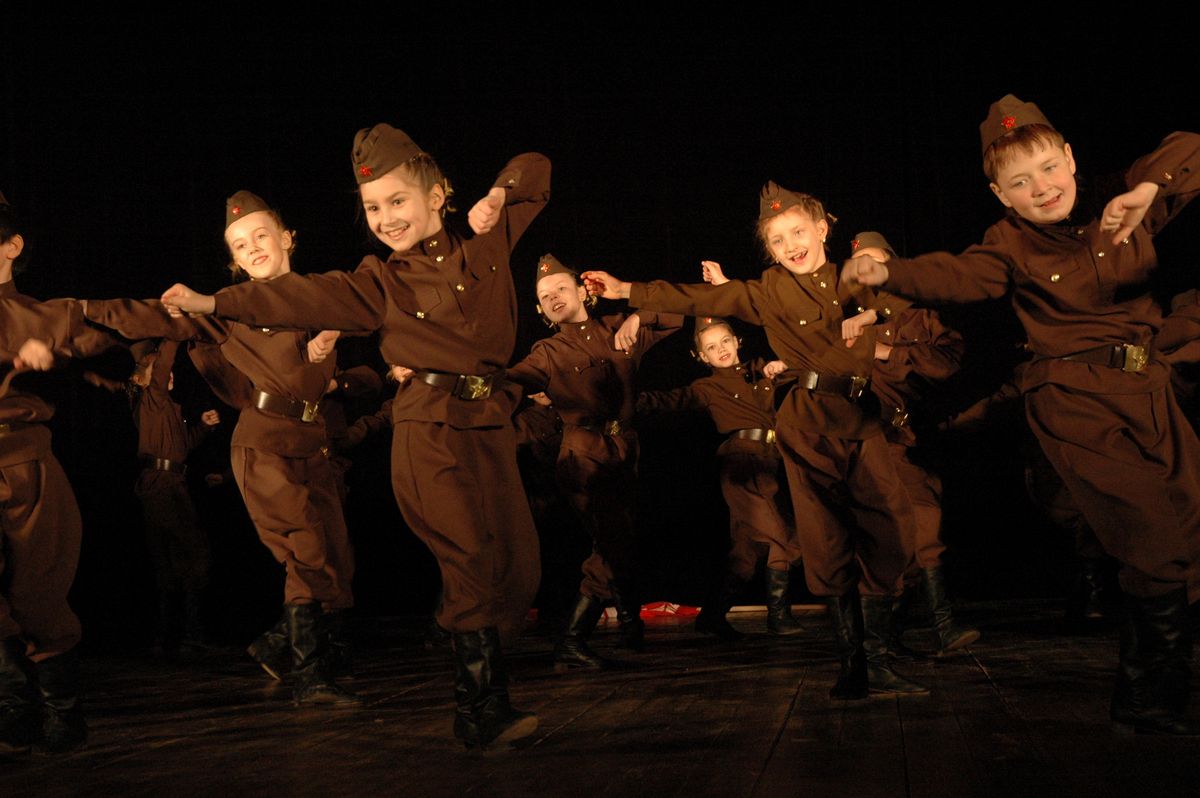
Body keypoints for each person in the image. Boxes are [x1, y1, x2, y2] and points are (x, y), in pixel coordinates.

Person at [159, 126, 549, 751]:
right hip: (428, 430)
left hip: (488, 423)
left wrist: (501, 193)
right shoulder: (379, 281)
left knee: (518, 566)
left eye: (397, 200)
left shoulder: (488, 237)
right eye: (372, 207)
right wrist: (214, 302)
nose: (386, 218)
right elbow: (301, 294)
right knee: (470, 559)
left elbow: (536, 168)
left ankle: (472, 665)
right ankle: (480, 708)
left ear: (437, 195)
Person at [842, 94, 1200, 734]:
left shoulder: (1124, 199)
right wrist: (887, 272)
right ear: (1000, 195)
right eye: (1020, 182)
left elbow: (1190, 146)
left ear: (1070, 158)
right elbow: (956, 275)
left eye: (1048, 168)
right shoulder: (1008, 244)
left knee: (1191, 536)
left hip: (1150, 389)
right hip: (1076, 401)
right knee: (1153, 542)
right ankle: (1150, 699)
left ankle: (1155, 692)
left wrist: (1149, 187)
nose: (1041, 188)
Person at [581, 183, 927, 698]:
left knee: (892, 529)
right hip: (808, 422)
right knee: (825, 539)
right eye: (777, 240)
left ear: (822, 229)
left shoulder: (853, 279)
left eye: (798, 232)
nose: (791, 245)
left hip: (861, 420)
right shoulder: (768, 291)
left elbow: (906, 292)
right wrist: (627, 290)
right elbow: (697, 297)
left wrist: (872, 314)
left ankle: (875, 651)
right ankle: (860, 665)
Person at [85, 191, 360, 708]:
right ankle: (308, 676)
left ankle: (282, 644)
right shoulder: (230, 310)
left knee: (336, 554)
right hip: (265, 442)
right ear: (233, 261)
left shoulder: (318, 300)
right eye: (239, 244)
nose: (252, 247)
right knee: (305, 548)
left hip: (311, 442)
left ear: (287, 238)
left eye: (260, 235)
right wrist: (83, 311)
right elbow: (156, 317)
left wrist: (322, 347)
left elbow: (333, 350)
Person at [506, 254, 682, 668]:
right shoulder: (547, 351)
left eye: (560, 289)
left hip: (625, 451)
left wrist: (639, 316)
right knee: (611, 541)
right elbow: (510, 379)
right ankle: (572, 640)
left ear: (583, 292)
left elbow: (677, 315)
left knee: (618, 540)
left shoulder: (618, 327)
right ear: (540, 310)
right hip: (583, 456)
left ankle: (629, 626)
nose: (553, 298)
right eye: (544, 297)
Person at [0, 192, 110, 754]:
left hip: (23, 463)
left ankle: (62, 713)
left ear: (12, 246)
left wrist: (55, 354)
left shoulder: (40, 313)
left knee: (38, 591)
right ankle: (13, 711)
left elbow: (108, 346)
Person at [849, 231, 979, 657]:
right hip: (877, 442)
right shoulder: (852, 325)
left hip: (919, 438)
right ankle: (941, 627)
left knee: (908, 534)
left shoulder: (922, 317)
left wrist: (891, 352)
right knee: (920, 520)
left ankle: (888, 638)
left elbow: (948, 363)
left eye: (876, 261)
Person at [637, 313, 804, 639]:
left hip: (770, 461)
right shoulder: (707, 387)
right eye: (712, 347)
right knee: (785, 537)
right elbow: (669, 400)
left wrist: (782, 366)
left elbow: (802, 371)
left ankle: (712, 616)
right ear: (702, 356)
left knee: (746, 552)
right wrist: (627, 400)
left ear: (737, 341)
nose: (721, 349)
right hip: (742, 465)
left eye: (725, 341)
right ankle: (778, 617)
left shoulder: (759, 369)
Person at [128, 339, 220, 653]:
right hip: (162, 486)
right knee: (190, 553)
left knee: (173, 559)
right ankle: (187, 632)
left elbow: (181, 447)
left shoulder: (165, 407)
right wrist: (173, 335)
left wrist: (202, 428)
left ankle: (172, 636)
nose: (167, 374)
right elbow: (163, 366)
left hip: (170, 483)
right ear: (142, 379)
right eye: (158, 371)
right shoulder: (152, 400)